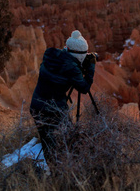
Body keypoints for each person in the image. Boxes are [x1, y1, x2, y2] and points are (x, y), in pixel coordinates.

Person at [29, 30, 96, 164]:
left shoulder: (50, 55)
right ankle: (63, 171)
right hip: (55, 110)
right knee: (66, 140)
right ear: (81, 55)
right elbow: (84, 88)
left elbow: (63, 66)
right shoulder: (71, 68)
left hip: (36, 106)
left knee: (48, 142)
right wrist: (91, 68)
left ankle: (48, 171)